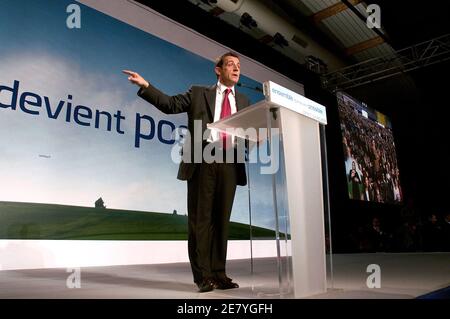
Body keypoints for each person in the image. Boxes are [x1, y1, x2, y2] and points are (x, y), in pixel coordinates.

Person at [123, 52, 249, 293]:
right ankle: (203, 277)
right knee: (200, 222)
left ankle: (219, 274)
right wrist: (146, 86)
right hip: (202, 160)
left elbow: (247, 134)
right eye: (231, 64)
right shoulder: (199, 92)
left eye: (239, 66)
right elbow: (170, 105)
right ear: (218, 69)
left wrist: (254, 139)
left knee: (221, 222)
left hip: (231, 163)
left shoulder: (243, 101)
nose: (236, 69)